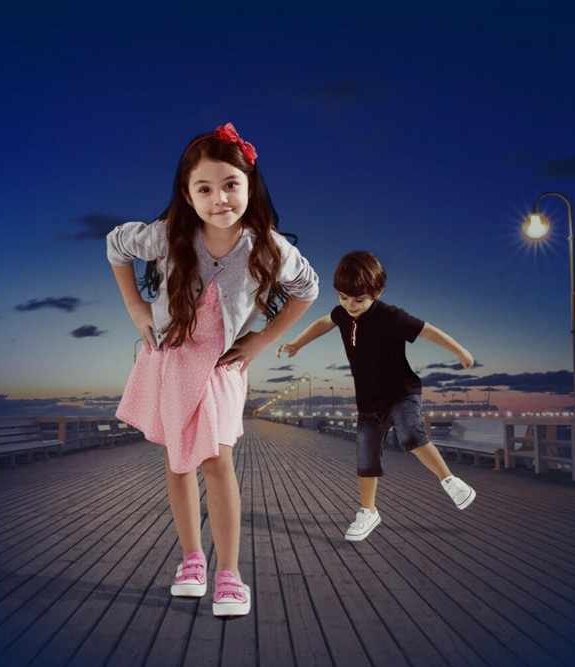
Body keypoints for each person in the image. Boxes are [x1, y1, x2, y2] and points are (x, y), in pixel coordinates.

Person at [108, 122, 319, 617]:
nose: (219, 198)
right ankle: (192, 560)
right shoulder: (168, 236)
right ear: (187, 193)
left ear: (250, 187)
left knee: (216, 461)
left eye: (230, 185)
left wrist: (263, 339)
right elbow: (117, 243)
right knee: (179, 460)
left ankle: (231, 573)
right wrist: (137, 308)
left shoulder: (266, 246)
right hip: (171, 359)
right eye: (204, 188)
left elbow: (307, 289)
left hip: (221, 366)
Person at [276, 250, 477, 542]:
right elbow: (323, 323)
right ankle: (368, 511)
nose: (350, 306)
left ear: (376, 292)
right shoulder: (342, 313)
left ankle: (450, 481)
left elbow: (427, 331)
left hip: (401, 392)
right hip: (368, 401)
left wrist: (460, 351)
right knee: (366, 457)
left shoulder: (390, 316)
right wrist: (296, 344)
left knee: (410, 434)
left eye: (358, 300)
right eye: (343, 298)